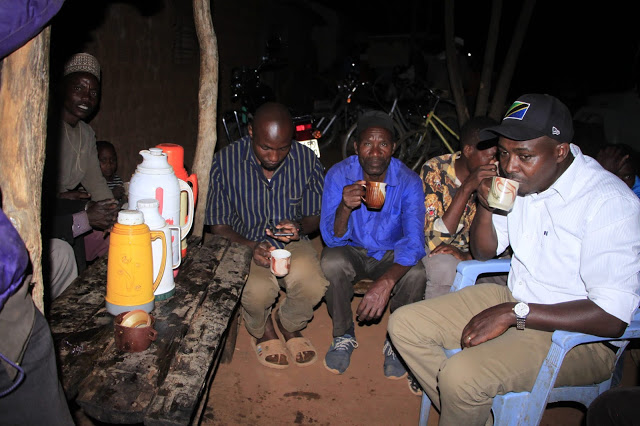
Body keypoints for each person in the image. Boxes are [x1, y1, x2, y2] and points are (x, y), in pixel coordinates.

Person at [388, 94, 640, 426]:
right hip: (517, 298)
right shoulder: (521, 184)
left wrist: (515, 313)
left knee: (460, 376)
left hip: (578, 337)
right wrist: (486, 206)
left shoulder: (608, 202)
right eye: (504, 153)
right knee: (405, 325)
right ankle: (471, 411)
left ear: (560, 151)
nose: (510, 166)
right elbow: (484, 252)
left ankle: (463, 398)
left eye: (524, 156)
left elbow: (612, 317)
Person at [205, 102, 328, 369]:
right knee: (257, 293)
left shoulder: (306, 160)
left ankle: (288, 323)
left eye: (282, 148)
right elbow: (218, 226)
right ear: (250, 131)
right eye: (266, 148)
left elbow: (315, 216)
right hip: (243, 241)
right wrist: (251, 246)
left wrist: (298, 226)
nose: (274, 156)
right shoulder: (225, 162)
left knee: (314, 285)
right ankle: (262, 329)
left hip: (289, 243)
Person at [319, 110, 426, 382]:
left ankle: (397, 341)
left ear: (393, 147)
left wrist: (387, 281)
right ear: (356, 147)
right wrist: (345, 207)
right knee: (331, 261)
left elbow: (414, 241)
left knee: (416, 273)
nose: (376, 152)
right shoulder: (339, 175)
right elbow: (331, 239)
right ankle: (343, 335)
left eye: (383, 144)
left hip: (390, 253)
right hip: (351, 250)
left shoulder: (409, 181)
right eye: (368, 143)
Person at [42, 52, 119, 276]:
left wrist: (112, 212)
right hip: (49, 216)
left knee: (119, 237)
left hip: (67, 210)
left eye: (93, 93)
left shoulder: (86, 133)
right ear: (62, 88)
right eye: (78, 88)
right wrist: (61, 197)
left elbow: (95, 180)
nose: (86, 98)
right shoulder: (44, 125)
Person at [421, 116, 503, 300]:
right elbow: (435, 241)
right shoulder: (436, 170)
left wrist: (468, 255)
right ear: (468, 150)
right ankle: (437, 318)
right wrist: (467, 187)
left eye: (500, 156)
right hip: (439, 249)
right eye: (491, 156)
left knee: (509, 274)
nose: (496, 163)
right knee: (444, 266)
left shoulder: (502, 178)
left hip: (479, 252)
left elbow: (503, 241)